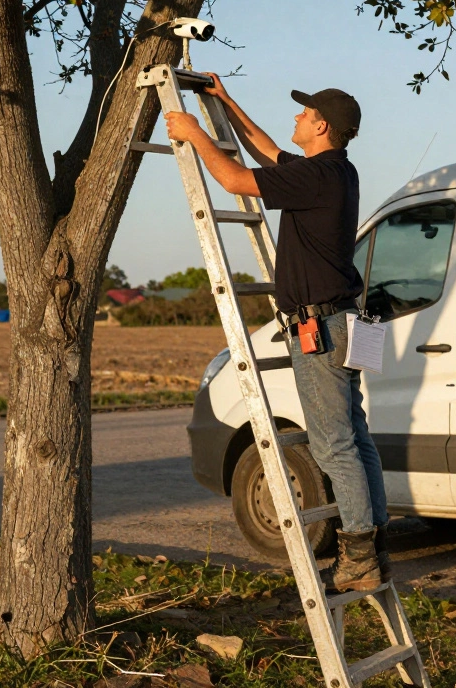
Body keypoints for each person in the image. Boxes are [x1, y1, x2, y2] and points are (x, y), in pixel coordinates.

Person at [164, 75, 389, 593]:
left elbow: (236, 181)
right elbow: (265, 150)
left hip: (320, 326)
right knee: (356, 437)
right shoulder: (333, 172)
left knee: (333, 446)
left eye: (303, 115)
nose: (295, 120)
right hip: (345, 320)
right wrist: (225, 102)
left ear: (321, 125)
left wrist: (196, 133)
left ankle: (359, 554)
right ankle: (373, 543)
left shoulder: (318, 177)